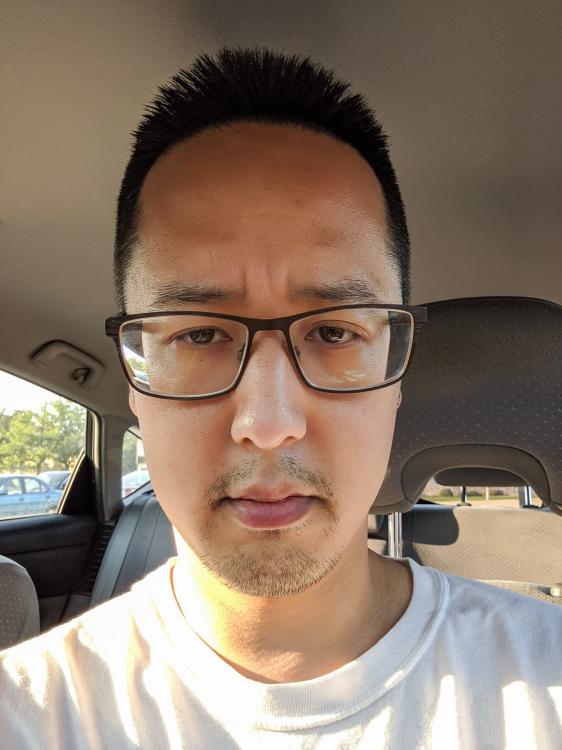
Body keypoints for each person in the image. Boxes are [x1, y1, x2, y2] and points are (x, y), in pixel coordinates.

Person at [1, 47, 560, 750]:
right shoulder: (28, 714)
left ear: (396, 375)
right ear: (135, 381)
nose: (268, 425)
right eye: (199, 333)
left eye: (334, 332)